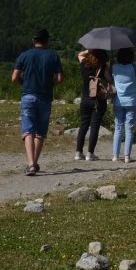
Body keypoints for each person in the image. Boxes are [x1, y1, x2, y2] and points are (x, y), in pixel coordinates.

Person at [11, 28, 64, 176]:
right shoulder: (53, 55)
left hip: (28, 96)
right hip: (45, 97)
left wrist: (24, 83)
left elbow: (14, 78)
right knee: (40, 132)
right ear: (47, 41)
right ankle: (34, 163)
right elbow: (60, 79)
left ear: (33, 40)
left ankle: (30, 165)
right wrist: (51, 84)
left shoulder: (24, 55)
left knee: (28, 131)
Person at [75, 49, 111, 161]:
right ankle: (90, 153)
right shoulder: (103, 67)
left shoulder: (85, 64)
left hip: (85, 100)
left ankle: (78, 152)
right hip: (98, 101)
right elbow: (110, 80)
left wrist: (89, 50)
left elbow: (80, 54)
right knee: (94, 127)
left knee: (83, 125)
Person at [110, 46, 136, 162]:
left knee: (118, 127)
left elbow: (110, 76)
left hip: (118, 101)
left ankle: (115, 155)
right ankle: (127, 156)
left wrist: (112, 62)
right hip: (132, 101)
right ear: (131, 56)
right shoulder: (135, 67)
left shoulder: (114, 67)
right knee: (129, 128)